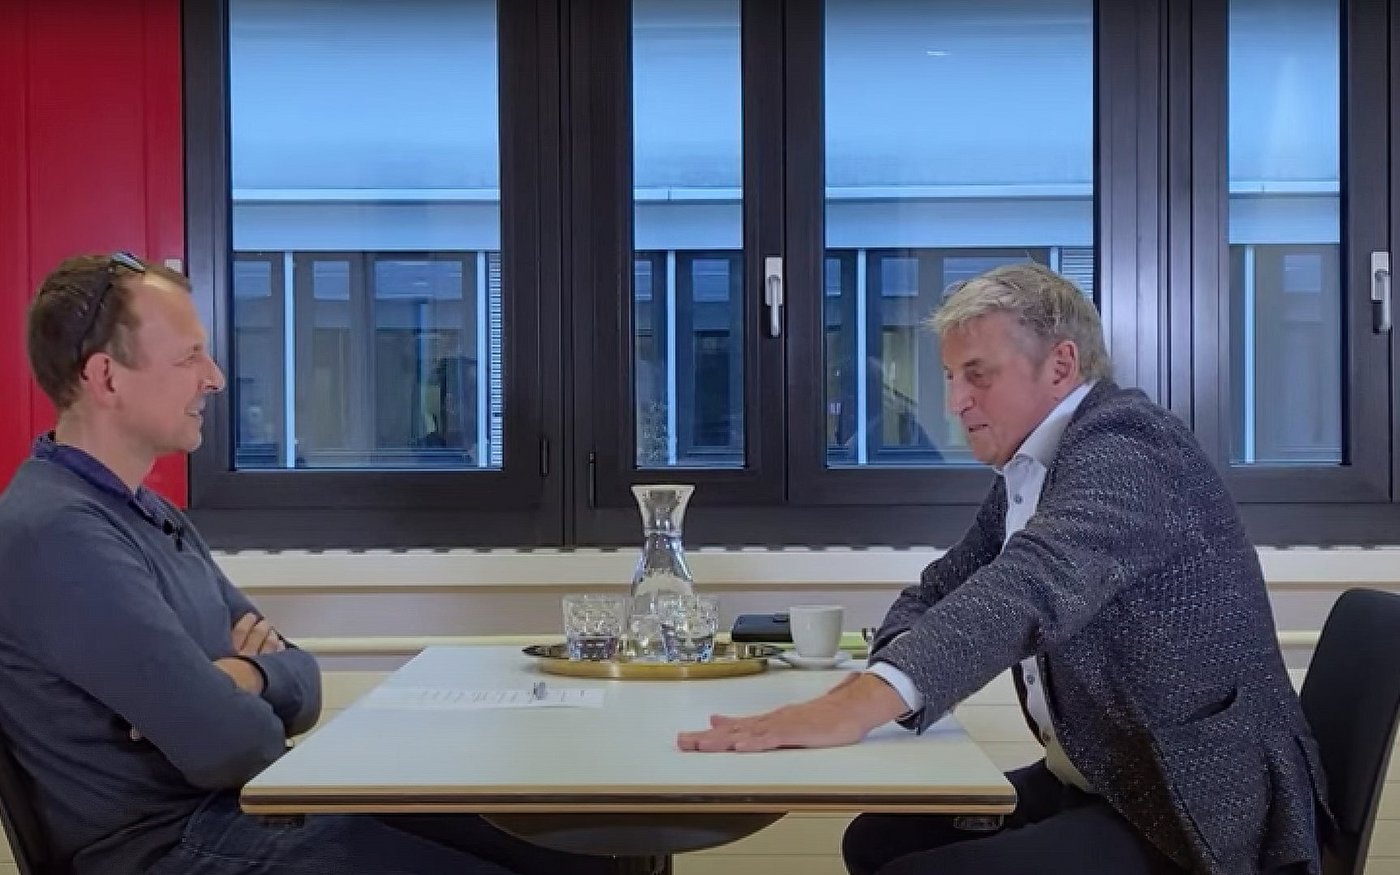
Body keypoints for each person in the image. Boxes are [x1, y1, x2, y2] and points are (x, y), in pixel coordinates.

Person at [678, 263, 1330, 875]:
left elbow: (1030, 585)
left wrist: (856, 705)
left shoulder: (1128, 446)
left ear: (1060, 365)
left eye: (977, 374)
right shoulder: (1036, 466)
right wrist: (887, 677)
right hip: (1104, 776)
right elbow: (945, 588)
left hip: (1192, 801)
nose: (954, 401)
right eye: (949, 376)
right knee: (877, 839)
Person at [0, 254, 617, 875]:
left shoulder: (150, 514)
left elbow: (303, 682)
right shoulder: (56, 533)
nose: (214, 378)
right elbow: (229, 747)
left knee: (569, 848)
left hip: (246, 806)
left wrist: (242, 676)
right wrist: (232, 694)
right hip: (168, 844)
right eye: (189, 358)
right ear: (106, 378)